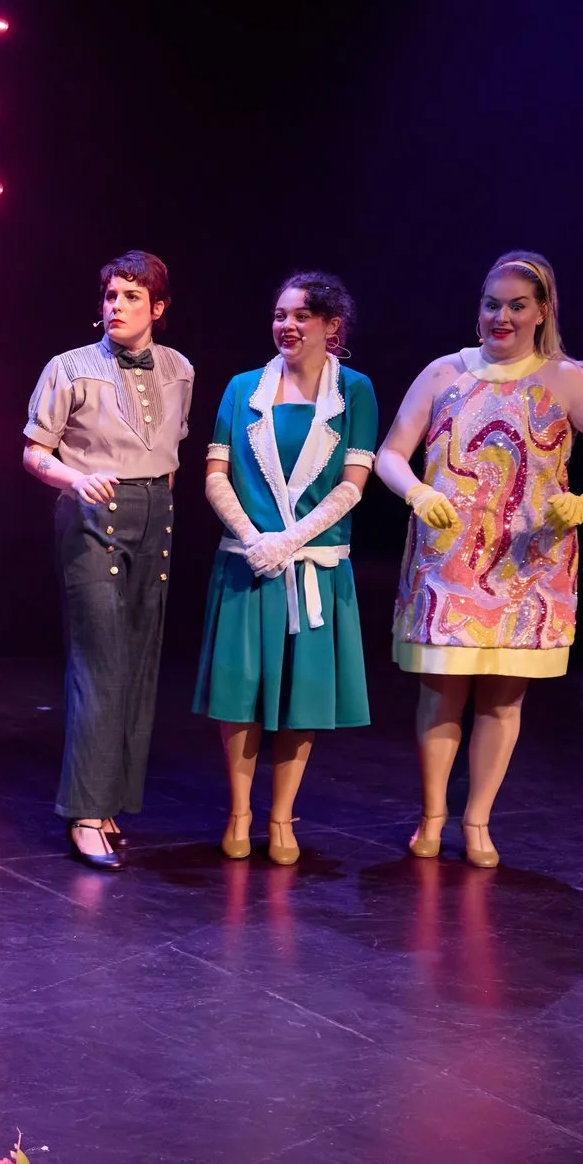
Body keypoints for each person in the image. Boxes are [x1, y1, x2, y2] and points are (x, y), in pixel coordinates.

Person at [373, 251, 583, 867]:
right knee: (440, 691)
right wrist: (417, 491)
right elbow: (390, 453)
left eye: (516, 305)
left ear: (541, 311)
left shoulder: (563, 379)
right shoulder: (444, 372)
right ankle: (431, 817)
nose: (501, 316)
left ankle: (477, 823)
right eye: (491, 304)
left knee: (503, 699)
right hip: (446, 563)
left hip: (528, 563)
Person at [191, 273, 377, 866]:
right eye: (279, 314)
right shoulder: (243, 387)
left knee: (302, 699)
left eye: (301, 316)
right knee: (239, 695)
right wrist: (253, 539)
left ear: (331, 326)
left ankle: (281, 817)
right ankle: (240, 813)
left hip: (314, 569)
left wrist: (290, 539)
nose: (287, 326)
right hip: (247, 565)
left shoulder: (356, 392)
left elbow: (353, 485)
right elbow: (215, 473)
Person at [20, 251, 196, 869]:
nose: (116, 306)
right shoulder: (69, 368)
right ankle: (84, 814)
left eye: (129, 296)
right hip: (94, 517)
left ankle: (112, 801)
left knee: (141, 660)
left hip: (156, 517)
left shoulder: (180, 370)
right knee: (101, 662)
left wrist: (159, 510)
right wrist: (73, 478)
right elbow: (34, 454)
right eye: (110, 296)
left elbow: (169, 452)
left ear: (158, 308)